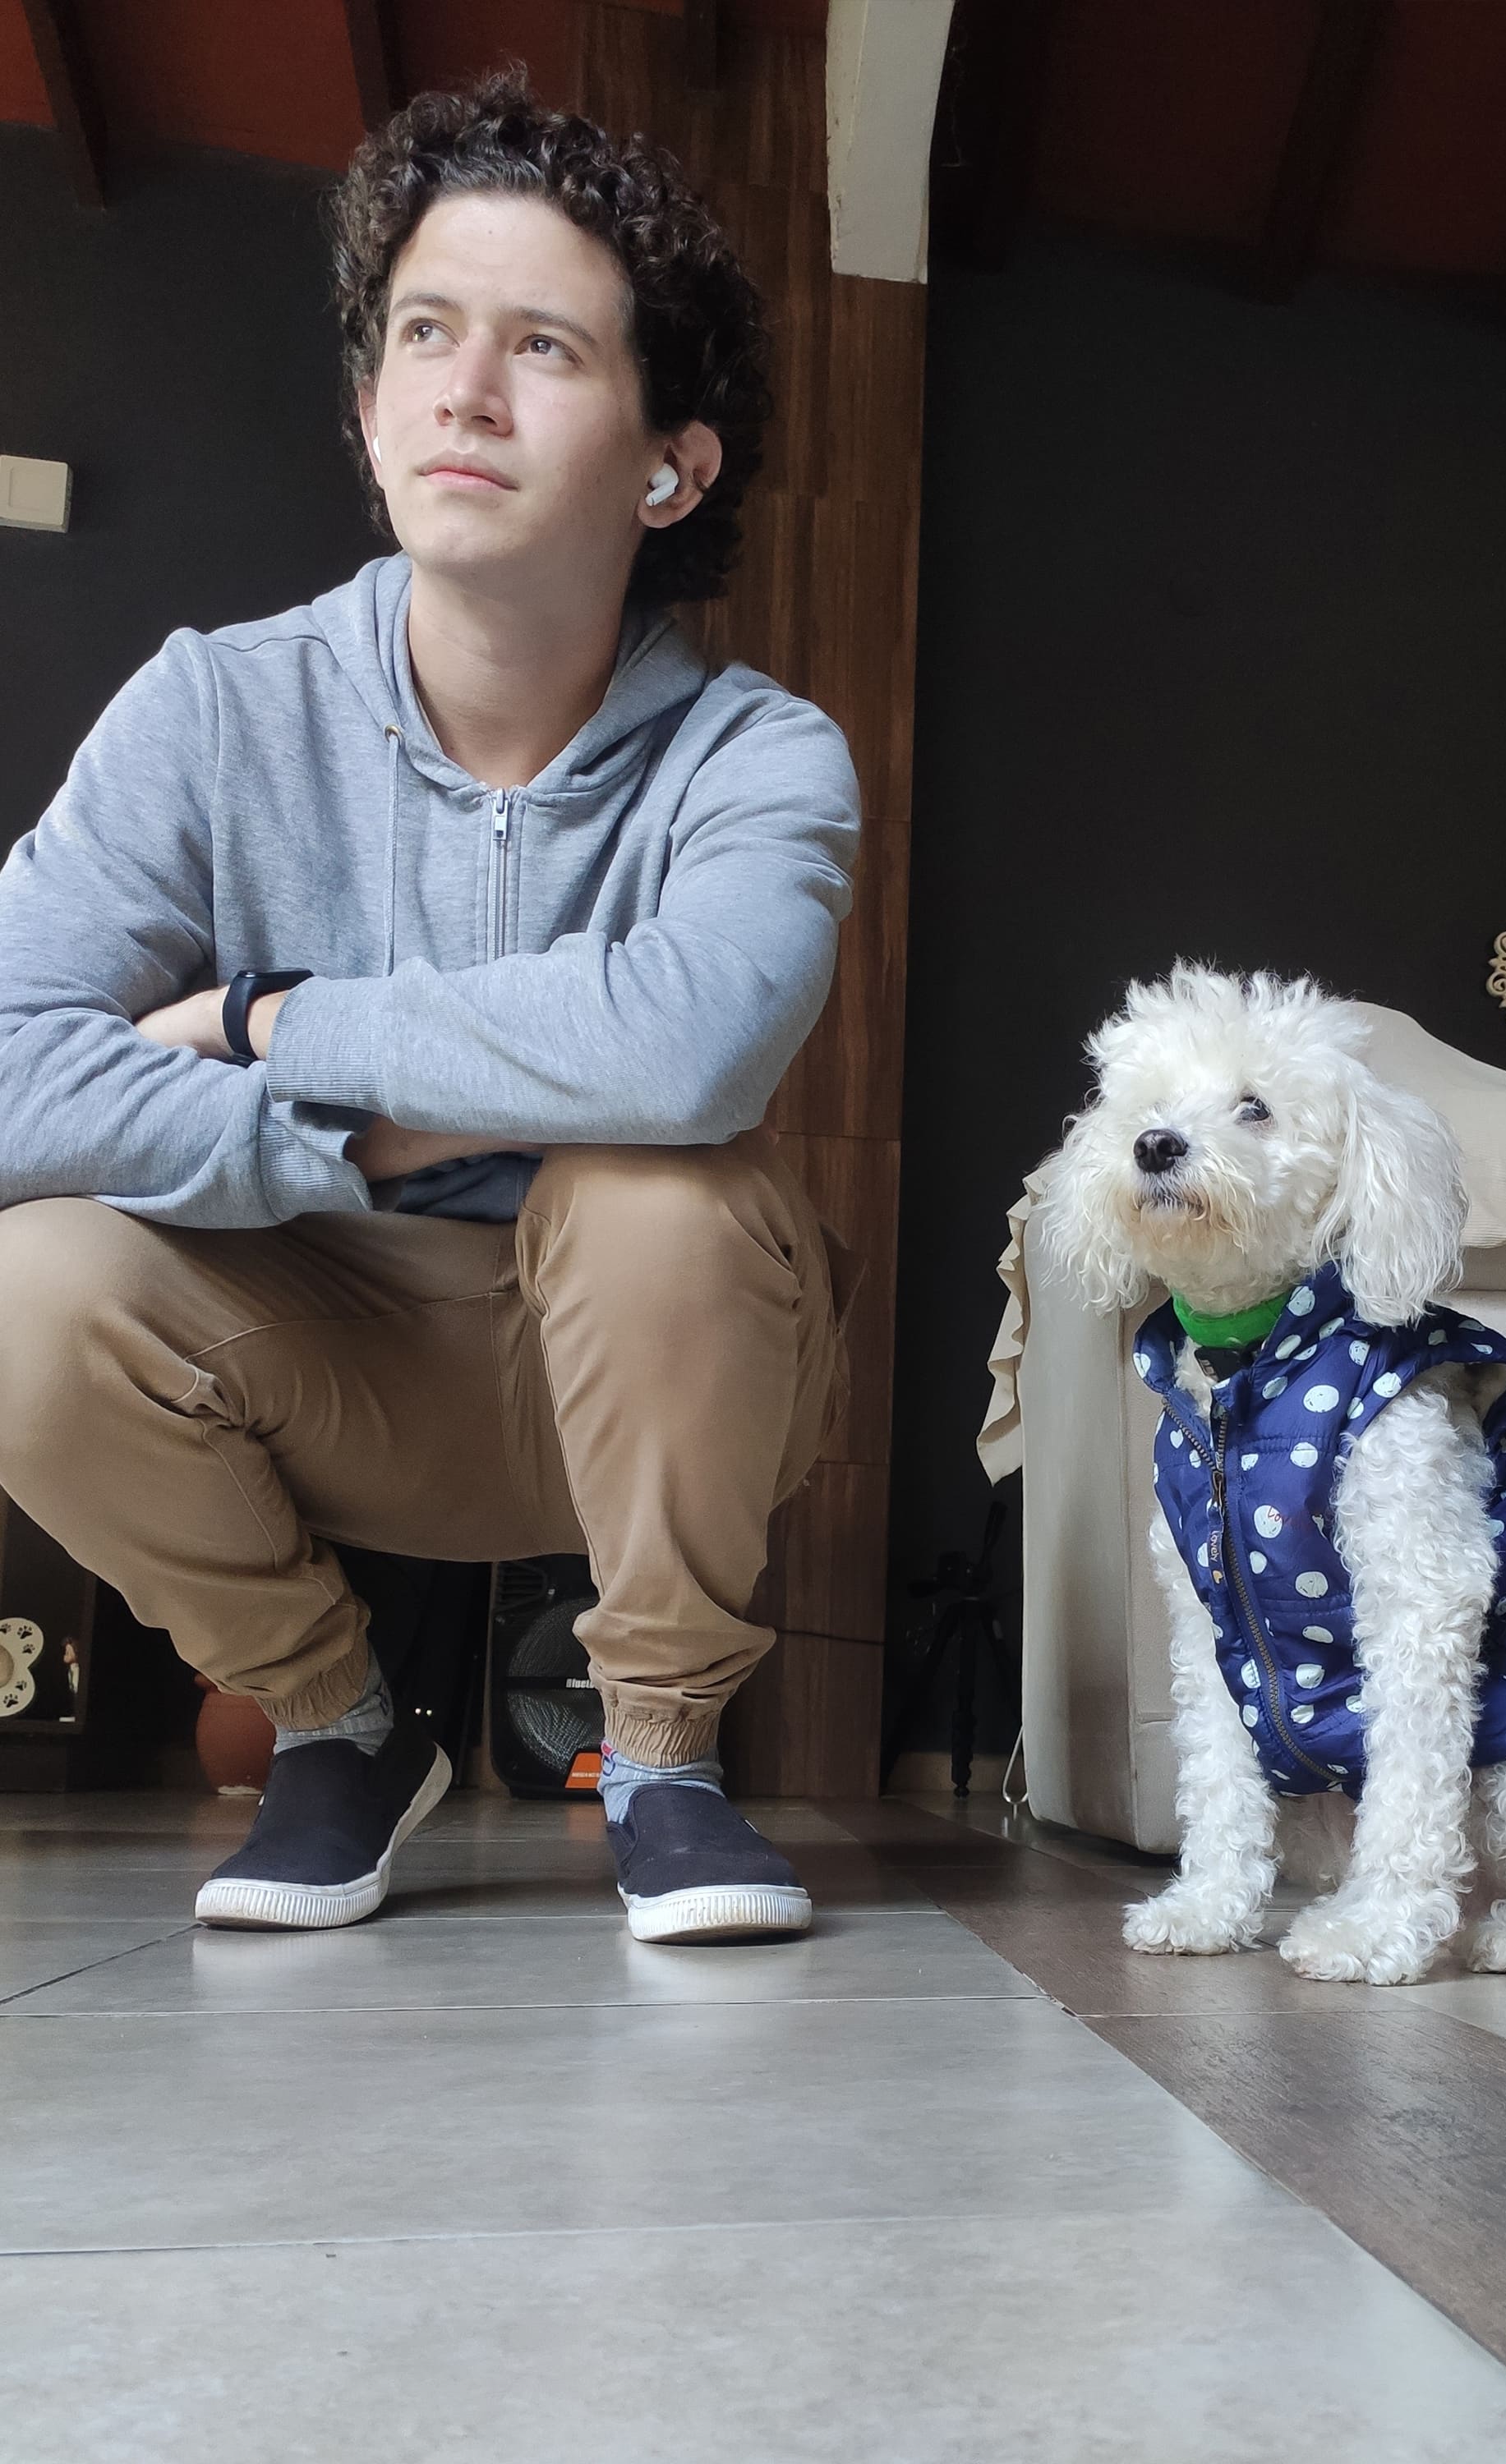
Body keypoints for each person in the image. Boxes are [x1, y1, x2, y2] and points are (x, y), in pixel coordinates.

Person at [0, 69, 863, 1946]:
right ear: (367, 409)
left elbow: (690, 1051)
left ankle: (661, 1753)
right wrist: (351, 1141)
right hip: (316, 1347)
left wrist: (266, 1022)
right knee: (20, 1285)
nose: (464, 390)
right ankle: (338, 1728)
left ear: (669, 466)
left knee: (663, 1185)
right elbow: (6, 1070)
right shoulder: (212, 708)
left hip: (656, 1367)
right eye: (422, 333)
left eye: (543, 345)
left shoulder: (761, 757)